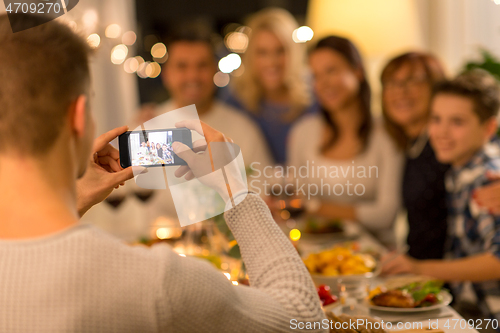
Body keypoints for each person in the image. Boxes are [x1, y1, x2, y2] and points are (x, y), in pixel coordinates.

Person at [0, 13, 327, 332]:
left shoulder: (243, 127)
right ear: (80, 117)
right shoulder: (159, 283)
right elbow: (306, 320)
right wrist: (235, 190)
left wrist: (78, 199)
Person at [382, 70, 500, 328]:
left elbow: (497, 260)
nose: (441, 132)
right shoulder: (459, 170)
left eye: (457, 122)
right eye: (435, 119)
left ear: (488, 127)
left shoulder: (486, 180)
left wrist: (419, 268)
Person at [381, 52, 500, 259]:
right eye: (391, 83)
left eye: (411, 81)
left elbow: (489, 151)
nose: (400, 91)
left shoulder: (457, 151)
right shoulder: (412, 144)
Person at [287, 36, 403, 247]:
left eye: (331, 71)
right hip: (315, 249)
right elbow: (296, 193)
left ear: (357, 71)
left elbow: (386, 214)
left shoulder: (386, 134)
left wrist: (315, 207)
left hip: (374, 254)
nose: (323, 83)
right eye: (315, 76)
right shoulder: (304, 131)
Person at [224, 7, 316, 164]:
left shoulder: (314, 97)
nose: (271, 62)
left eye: (280, 51)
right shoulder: (236, 101)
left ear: (293, 52)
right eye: (262, 52)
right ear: (251, 55)